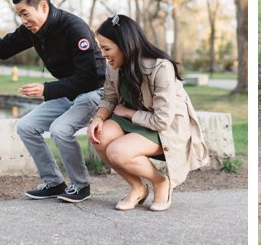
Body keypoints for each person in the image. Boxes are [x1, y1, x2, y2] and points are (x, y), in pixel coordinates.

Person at [0, 0, 105, 202]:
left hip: (94, 93)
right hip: (67, 93)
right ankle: (54, 183)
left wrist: (46, 89)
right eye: (19, 15)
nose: (23, 20)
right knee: (26, 127)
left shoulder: (74, 28)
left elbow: (88, 77)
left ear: (43, 6)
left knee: (60, 129)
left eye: (25, 13)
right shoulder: (32, 30)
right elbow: (2, 48)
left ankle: (81, 186)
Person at [87, 14, 209, 211]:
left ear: (125, 45)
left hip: (164, 129)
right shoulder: (114, 67)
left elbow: (162, 120)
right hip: (134, 120)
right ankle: (137, 187)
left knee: (117, 152)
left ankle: (160, 181)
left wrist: (127, 113)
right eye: (101, 48)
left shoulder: (161, 67)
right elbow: (109, 97)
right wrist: (99, 118)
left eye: (107, 48)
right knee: (99, 136)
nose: (103, 54)